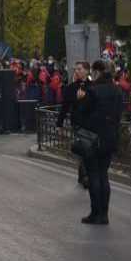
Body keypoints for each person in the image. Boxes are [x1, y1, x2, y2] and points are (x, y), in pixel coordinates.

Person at [77, 60, 123, 225]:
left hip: (93, 138)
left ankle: (95, 213)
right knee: (104, 175)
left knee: (94, 175)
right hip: (110, 137)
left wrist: (80, 99)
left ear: (97, 72)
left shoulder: (93, 91)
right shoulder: (117, 91)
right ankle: (104, 214)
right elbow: (118, 115)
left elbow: (82, 115)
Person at [58, 61, 91, 189]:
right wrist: (59, 123)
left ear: (87, 71)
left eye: (80, 69)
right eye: (76, 69)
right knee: (82, 149)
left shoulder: (92, 86)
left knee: (87, 149)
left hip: (90, 123)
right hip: (77, 123)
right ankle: (85, 176)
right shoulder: (71, 87)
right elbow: (65, 106)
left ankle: (82, 175)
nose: (77, 71)